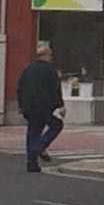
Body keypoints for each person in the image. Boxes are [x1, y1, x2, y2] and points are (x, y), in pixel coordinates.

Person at [17, 44, 65, 173]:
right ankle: (41, 145)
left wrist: (21, 105)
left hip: (29, 107)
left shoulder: (28, 69)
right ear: (45, 55)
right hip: (44, 106)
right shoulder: (49, 70)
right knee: (57, 125)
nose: (51, 57)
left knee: (33, 132)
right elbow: (55, 88)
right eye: (50, 55)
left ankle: (31, 163)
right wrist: (60, 105)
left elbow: (20, 87)